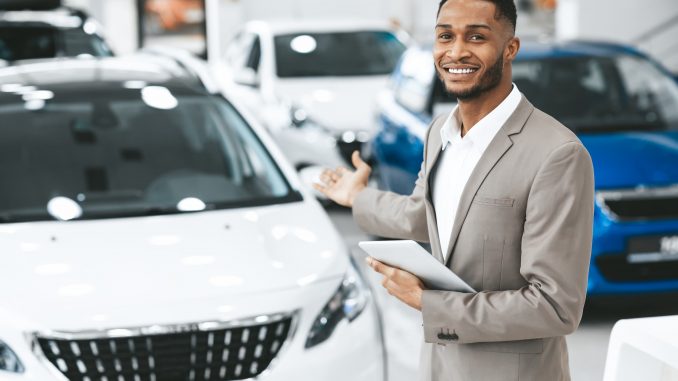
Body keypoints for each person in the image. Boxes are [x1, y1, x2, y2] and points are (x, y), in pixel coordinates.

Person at [313, 0, 595, 380]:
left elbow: (555, 305)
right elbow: (424, 214)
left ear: (510, 48)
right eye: (446, 36)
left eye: (476, 37)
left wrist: (428, 303)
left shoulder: (557, 154)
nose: (456, 51)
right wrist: (357, 197)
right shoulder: (439, 132)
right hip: (440, 366)